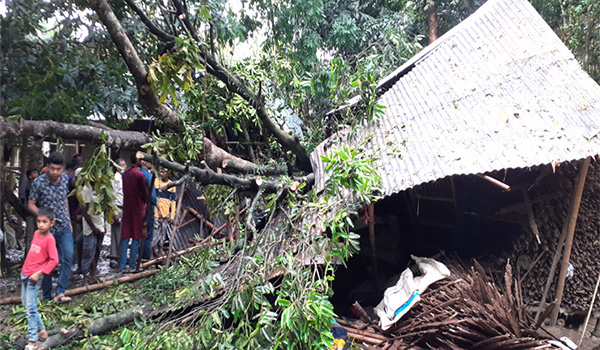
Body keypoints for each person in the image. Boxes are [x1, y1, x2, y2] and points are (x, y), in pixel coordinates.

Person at [28, 151, 73, 303]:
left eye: (58, 169)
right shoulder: (39, 183)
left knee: (68, 256)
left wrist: (70, 222)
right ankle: (47, 295)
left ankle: (60, 291)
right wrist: (43, 218)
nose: (55, 172)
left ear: (63, 168)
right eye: (52, 168)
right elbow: (30, 204)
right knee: (47, 261)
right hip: (47, 230)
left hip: (64, 226)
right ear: (47, 167)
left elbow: (64, 200)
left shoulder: (66, 179)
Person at [21, 207, 59, 350]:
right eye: (38, 221)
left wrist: (38, 273)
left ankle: (33, 341)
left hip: (34, 277)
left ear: (52, 223)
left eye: (44, 222)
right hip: (25, 272)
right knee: (26, 305)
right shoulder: (36, 233)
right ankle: (42, 331)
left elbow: (54, 260)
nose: (41, 225)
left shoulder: (50, 239)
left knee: (31, 309)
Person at [120, 153, 148, 273]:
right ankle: (132, 265)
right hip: (137, 208)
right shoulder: (139, 175)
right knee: (136, 237)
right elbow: (145, 193)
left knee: (125, 236)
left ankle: (122, 266)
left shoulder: (124, 174)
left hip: (127, 207)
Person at [79, 168, 105, 285]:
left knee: (96, 252)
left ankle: (93, 274)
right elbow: (84, 211)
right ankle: (85, 276)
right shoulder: (86, 190)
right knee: (88, 252)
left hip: (100, 224)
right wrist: (93, 227)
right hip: (90, 227)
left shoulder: (101, 189)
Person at [153, 169, 176, 257]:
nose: (161, 173)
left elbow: (173, 201)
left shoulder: (172, 185)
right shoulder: (156, 182)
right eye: (160, 171)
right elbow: (154, 197)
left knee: (163, 233)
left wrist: (172, 216)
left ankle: (159, 250)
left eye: (163, 172)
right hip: (157, 212)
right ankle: (152, 252)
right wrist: (158, 209)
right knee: (155, 233)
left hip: (166, 213)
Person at [65, 158, 82, 273]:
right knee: (74, 238)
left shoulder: (63, 178)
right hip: (72, 213)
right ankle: (72, 261)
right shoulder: (71, 180)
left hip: (68, 212)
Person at [109, 158, 126, 269]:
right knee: (116, 234)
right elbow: (112, 196)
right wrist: (114, 212)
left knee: (122, 234)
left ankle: (120, 256)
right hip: (117, 208)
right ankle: (114, 258)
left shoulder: (124, 178)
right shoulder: (115, 179)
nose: (124, 167)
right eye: (122, 165)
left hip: (124, 208)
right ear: (117, 167)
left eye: (125, 164)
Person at [140, 160, 157, 260]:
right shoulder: (148, 176)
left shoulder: (137, 174)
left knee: (139, 232)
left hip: (138, 206)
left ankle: (137, 256)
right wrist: (155, 203)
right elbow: (153, 196)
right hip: (148, 207)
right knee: (148, 233)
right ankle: (145, 257)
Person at [20, 169, 39, 254]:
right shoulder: (29, 186)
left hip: (38, 212)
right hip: (30, 214)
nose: (37, 174)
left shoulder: (39, 185)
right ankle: (29, 255)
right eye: (34, 173)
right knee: (31, 235)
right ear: (30, 177)